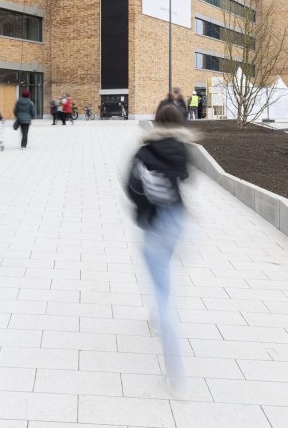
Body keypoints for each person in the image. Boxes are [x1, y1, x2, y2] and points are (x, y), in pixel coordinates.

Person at [125, 104, 190, 381]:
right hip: (176, 219)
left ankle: (177, 376)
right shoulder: (182, 149)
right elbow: (185, 176)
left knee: (162, 291)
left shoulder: (144, 151)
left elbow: (129, 186)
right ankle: (155, 314)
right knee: (163, 272)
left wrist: (143, 206)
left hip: (154, 222)